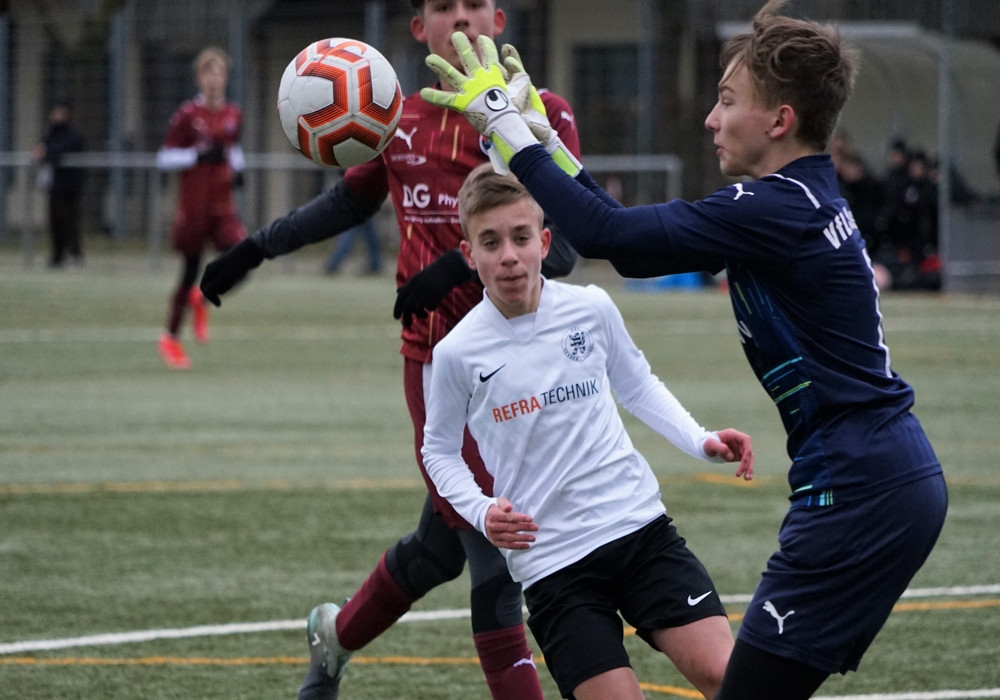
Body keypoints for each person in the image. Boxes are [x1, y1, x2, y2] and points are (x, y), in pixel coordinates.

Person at [421, 0, 948, 697]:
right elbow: (620, 230)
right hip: (885, 476)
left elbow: (612, 240)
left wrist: (505, 128)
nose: (709, 118)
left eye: (727, 100)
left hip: (858, 486)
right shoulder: (797, 199)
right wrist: (549, 149)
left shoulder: (772, 208)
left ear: (779, 121)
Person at [198, 2, 580, 698]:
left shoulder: (540, 111)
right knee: (495, 555)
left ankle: (334, 636)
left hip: (529, 369)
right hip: (439, 368)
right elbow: (346, 205)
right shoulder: (390, 118)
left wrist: (458, 267)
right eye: (442, 7)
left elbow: (566, 250)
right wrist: (256, 247)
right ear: (418, 28)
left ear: (498, 18)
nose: (460, 20)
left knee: (437, 550)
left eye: (473, 5)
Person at [422, 164, 754, 700]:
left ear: (544, 242)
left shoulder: (591, 307)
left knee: (729, 677)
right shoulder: (456, 352)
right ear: (469, 254)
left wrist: (701, 440)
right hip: (553, 563)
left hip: (638, 530)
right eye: (491, 242)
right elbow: (438, 450)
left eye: (521, 237)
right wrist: (482, 512)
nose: (508, 256)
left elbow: (638, 387)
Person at [156, 46, 247, 370]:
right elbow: (164, 158)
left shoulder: (233, 114)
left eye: (219, 73)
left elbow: (232, 148)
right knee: (189, 271)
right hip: (194, 207)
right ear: (198, 78)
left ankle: (204, 298)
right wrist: (196, 156)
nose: (214, 79)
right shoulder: (187, 115)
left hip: (223, 208)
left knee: (244, 257)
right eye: (208, 73)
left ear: (226, 78)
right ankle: (170, 338)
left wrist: (239, 169)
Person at [33, 102, 86, 268]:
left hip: (70, 186)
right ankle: (57, 256)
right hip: (54, 186)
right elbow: (42, 150)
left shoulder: (74, 134)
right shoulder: (50, 133)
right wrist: (45, 153)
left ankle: (75, 254)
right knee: (55, 221)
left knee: (70, 221)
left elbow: (57, 152)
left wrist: (47, 153)